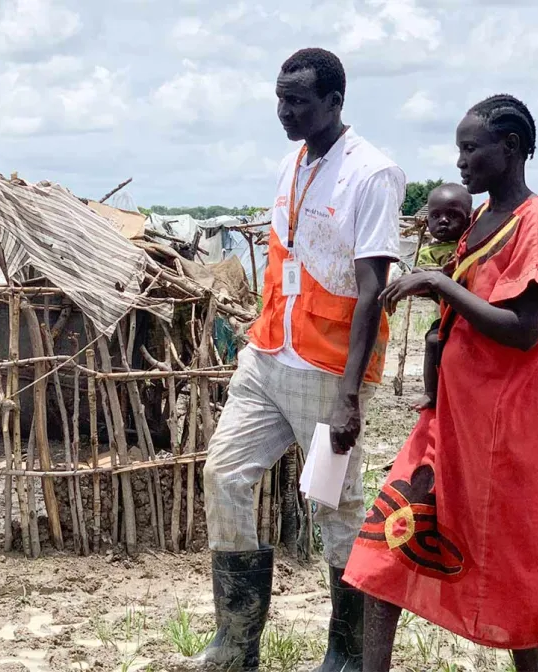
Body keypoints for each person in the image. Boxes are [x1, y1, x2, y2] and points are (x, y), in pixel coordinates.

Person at [189, 48, 406, 672]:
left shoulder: (371, 174)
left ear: (335, 103)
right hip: (268, 355)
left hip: (327, 368)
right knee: (224, 474)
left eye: (299, 102)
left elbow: (371, 289)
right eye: (280, 100)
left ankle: (344, 652)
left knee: (334, 506)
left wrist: (347, 395)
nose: (284, 112)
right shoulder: (291, 164)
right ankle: (235, 644)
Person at [344, 94, 538, 672]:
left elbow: (525, 329)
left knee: (514, 560)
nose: (461, 162)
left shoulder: (536, 222)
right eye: (459, 150)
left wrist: (440, 286)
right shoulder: (478, 222)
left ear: (512, 148)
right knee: (383, 547)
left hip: (506, 429)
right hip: (449, 420)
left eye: (470, 149)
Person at [414, 183, 473, 411]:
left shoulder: (469, 247)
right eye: (436, 215)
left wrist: (437, 278)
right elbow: (420, 278)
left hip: (471, 314)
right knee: (432, 341)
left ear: (468, 220)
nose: (444, 221)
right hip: (447, 314)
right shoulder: (428, 251)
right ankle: (431, 392)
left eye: (453, 215)